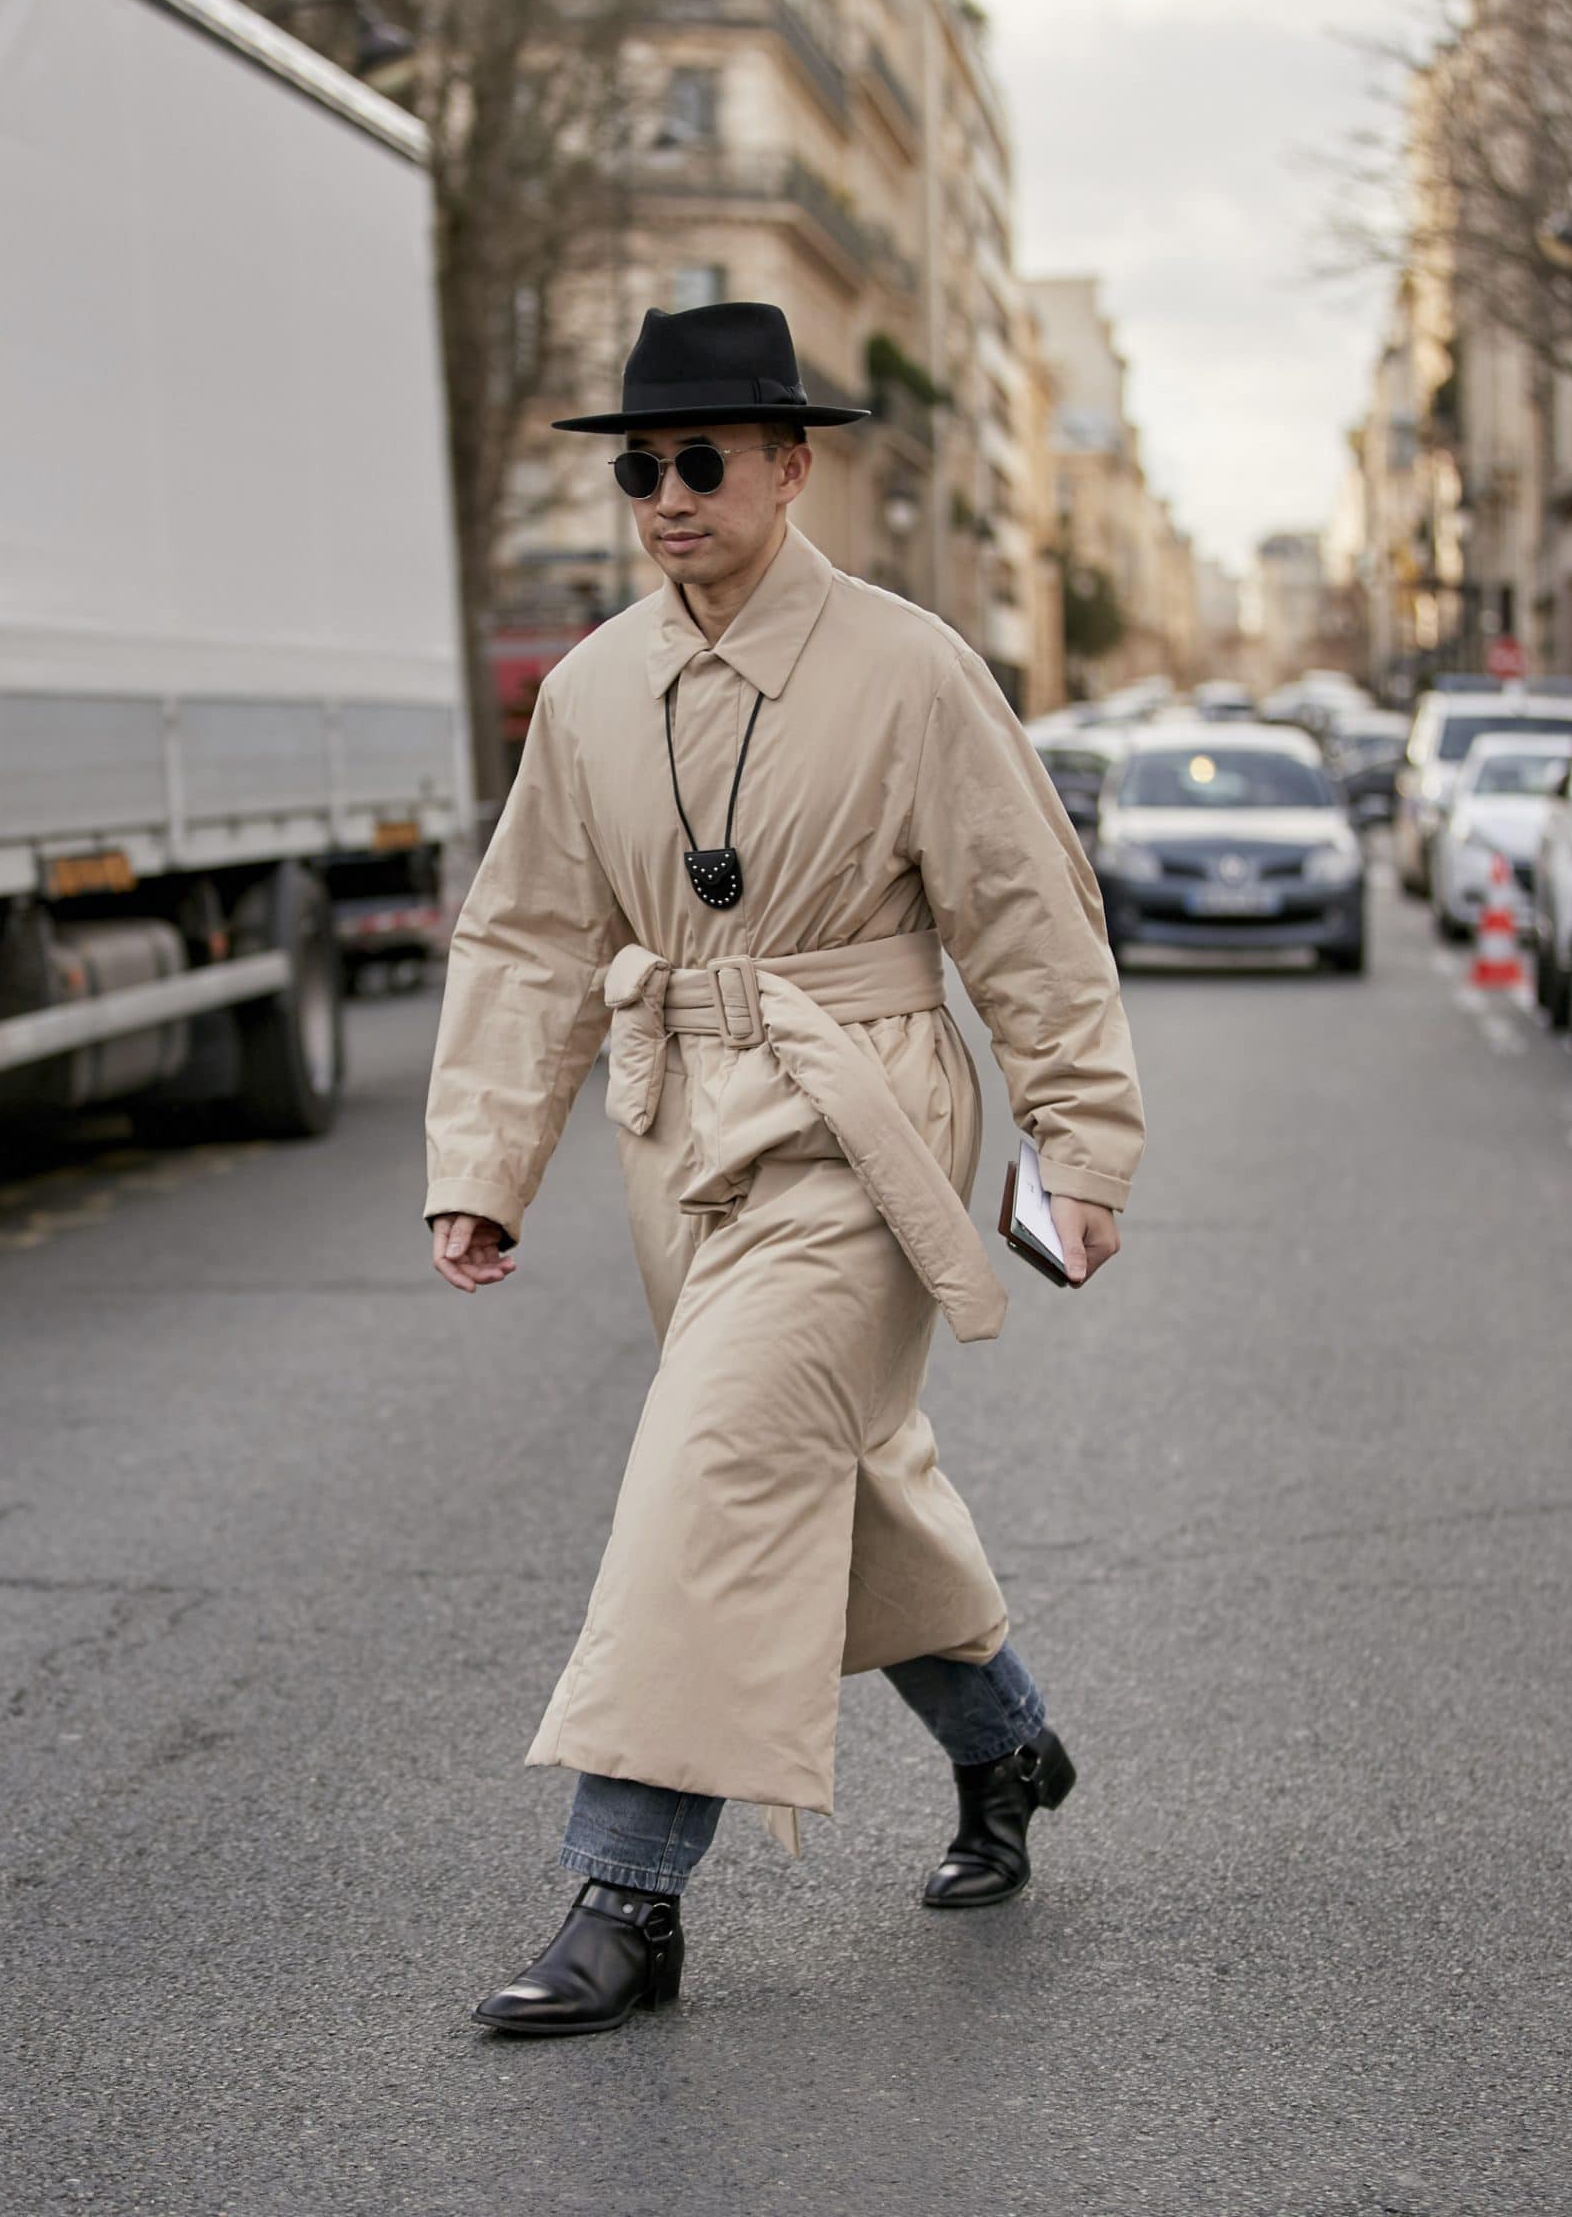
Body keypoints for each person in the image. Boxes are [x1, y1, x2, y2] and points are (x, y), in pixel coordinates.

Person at [423, 300, 1145, 2038]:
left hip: (867, 1114)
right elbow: (527, 940)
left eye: (701, 462)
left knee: (721, 1456)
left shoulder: (908, 667)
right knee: (838, 1468)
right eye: (640, 467)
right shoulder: (595, 689)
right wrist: (485, 1157)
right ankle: (1008, 1747)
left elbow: (1027, 915)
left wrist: (1082, 1132)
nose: (666, 495)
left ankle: (627, 1891)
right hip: (684, 1135)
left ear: (790, 468)